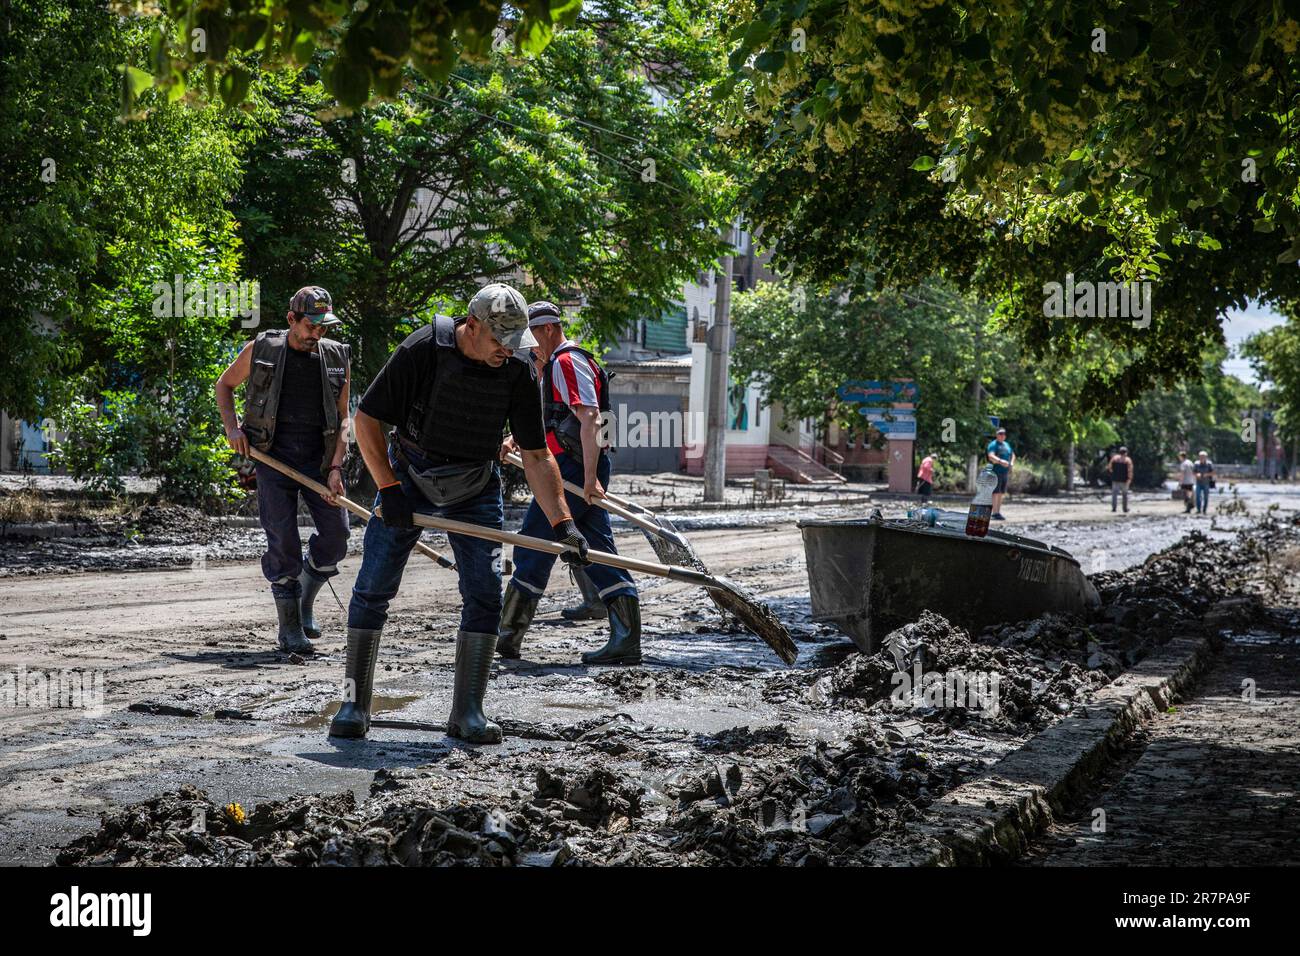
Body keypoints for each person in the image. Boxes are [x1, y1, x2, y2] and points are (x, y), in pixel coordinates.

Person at [328, 283, 589, 744]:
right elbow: (367, 419)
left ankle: (468, 711)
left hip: (475, 487)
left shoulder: (518, 371)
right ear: (472, 326)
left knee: (486, 595)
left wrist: (563, 523)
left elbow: (536, 455)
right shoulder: (423, 349)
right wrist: (389, 488)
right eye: (499, 342)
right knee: (372, 588)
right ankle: (354, 703)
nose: (507, 352)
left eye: (515, 343)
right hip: (409, 478)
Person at [496, 301, 641, 664]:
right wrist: (517, 438)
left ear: (547, 329)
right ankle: (626, 638)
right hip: (574, 466)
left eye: (531, 337)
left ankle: (506, 636)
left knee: (534, 544)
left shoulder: (565, 361)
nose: (528, 347)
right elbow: (554, 420)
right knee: (597, 549)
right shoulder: (559, 364)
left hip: (572, 470)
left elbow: (590, 420)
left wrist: (590, 479)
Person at [215, 287, 351, 655]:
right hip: (272, 458)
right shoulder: (262, 350)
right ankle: (290, 629)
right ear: (291, 320)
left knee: (338, 537)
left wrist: (337, 466)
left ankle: (305, 596)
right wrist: (233, 429)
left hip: (320, 462)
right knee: (283, 540)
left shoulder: (337, 357)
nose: (317, 334)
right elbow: (224, 386)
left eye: (324, 327)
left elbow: (344, 420)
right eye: (311, 326)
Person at [985, 427, 1015, 520]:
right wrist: (1001, 461)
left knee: (1001, 492)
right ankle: (994, 513)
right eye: (1000, 434)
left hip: (1004, 472)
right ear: (996, 435)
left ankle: (998, 512)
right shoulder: (993, 445)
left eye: (1003, 434)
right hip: (995, 472)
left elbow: (1013, 455)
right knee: (995, 492)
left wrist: (1011, 463)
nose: (1002, 436)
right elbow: (991, 456)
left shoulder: (1007, 445)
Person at [1108, 445, 1134, 513]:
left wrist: (1113, 474)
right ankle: (1124, 508)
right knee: (1125, 495)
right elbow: (1130, 470)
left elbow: (1110, 467)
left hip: (1115, 479)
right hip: (1124, 480)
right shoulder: (1128, 460)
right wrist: (1129, 479)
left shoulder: (1114, 458)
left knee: (1114, 494)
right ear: (1126, 453)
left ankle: (1114, 508)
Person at [1193, 450, 1215, 515]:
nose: (1202, 458)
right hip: (1198, 483)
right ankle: (1198, 510)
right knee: (1197, 496)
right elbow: (1193, 472)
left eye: (1203, 456)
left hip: (1206, 483)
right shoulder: (1196, 463)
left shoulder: (1209, 464)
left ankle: (1204, 510)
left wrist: (1207, 474)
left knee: (1206, 497)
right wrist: (1196, 474)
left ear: (1206, 457)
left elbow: (1213, 473)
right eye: (1200, 456)